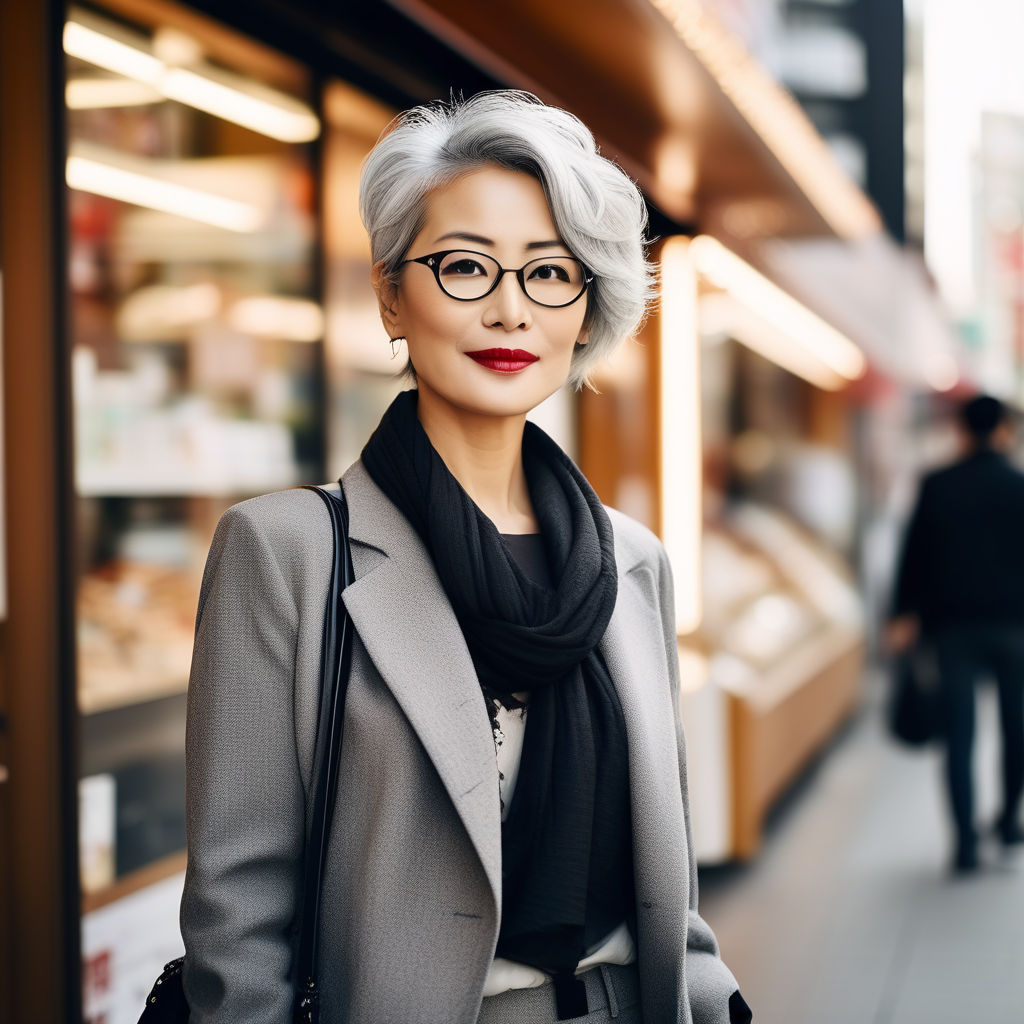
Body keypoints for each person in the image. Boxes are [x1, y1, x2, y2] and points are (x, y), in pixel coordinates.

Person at [180, 90, 750, 1023]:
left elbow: (664, 865)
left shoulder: (630, 560)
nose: (510, 309)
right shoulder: (287, 551)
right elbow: (236, 911)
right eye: (465, 268)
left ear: (586, 307)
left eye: (550, 274)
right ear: (390, 295)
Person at [887, 394, 1024, 874]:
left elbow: (914, 553)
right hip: (1014, 627)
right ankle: (1008, 820)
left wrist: (902, 614)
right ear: (1004, 430)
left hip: (952, 629)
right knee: (1016, 730)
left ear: (962, 432)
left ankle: (964, 844)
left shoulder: (938, 484)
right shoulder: (1018, 484)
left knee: (960, 735)